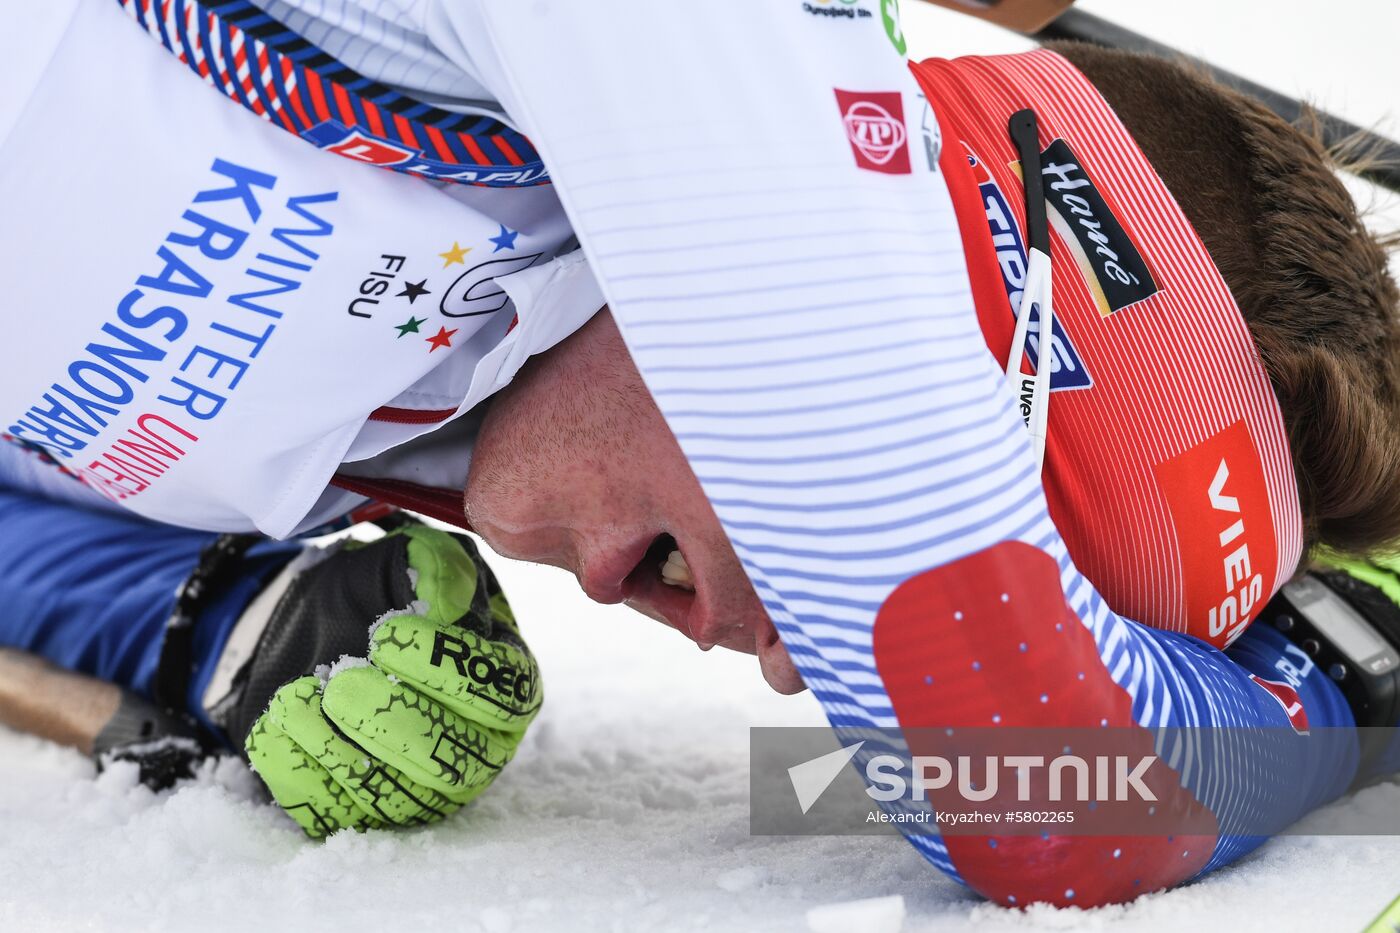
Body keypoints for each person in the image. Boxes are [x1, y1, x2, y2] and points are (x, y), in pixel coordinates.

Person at [2, 0, 1399, 909]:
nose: (802, 664)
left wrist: (199, 624)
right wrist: (1342, 696)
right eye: (1004, 518)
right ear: (916, 296)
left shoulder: (408, 425)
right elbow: (1034, 788)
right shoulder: (704, 44)